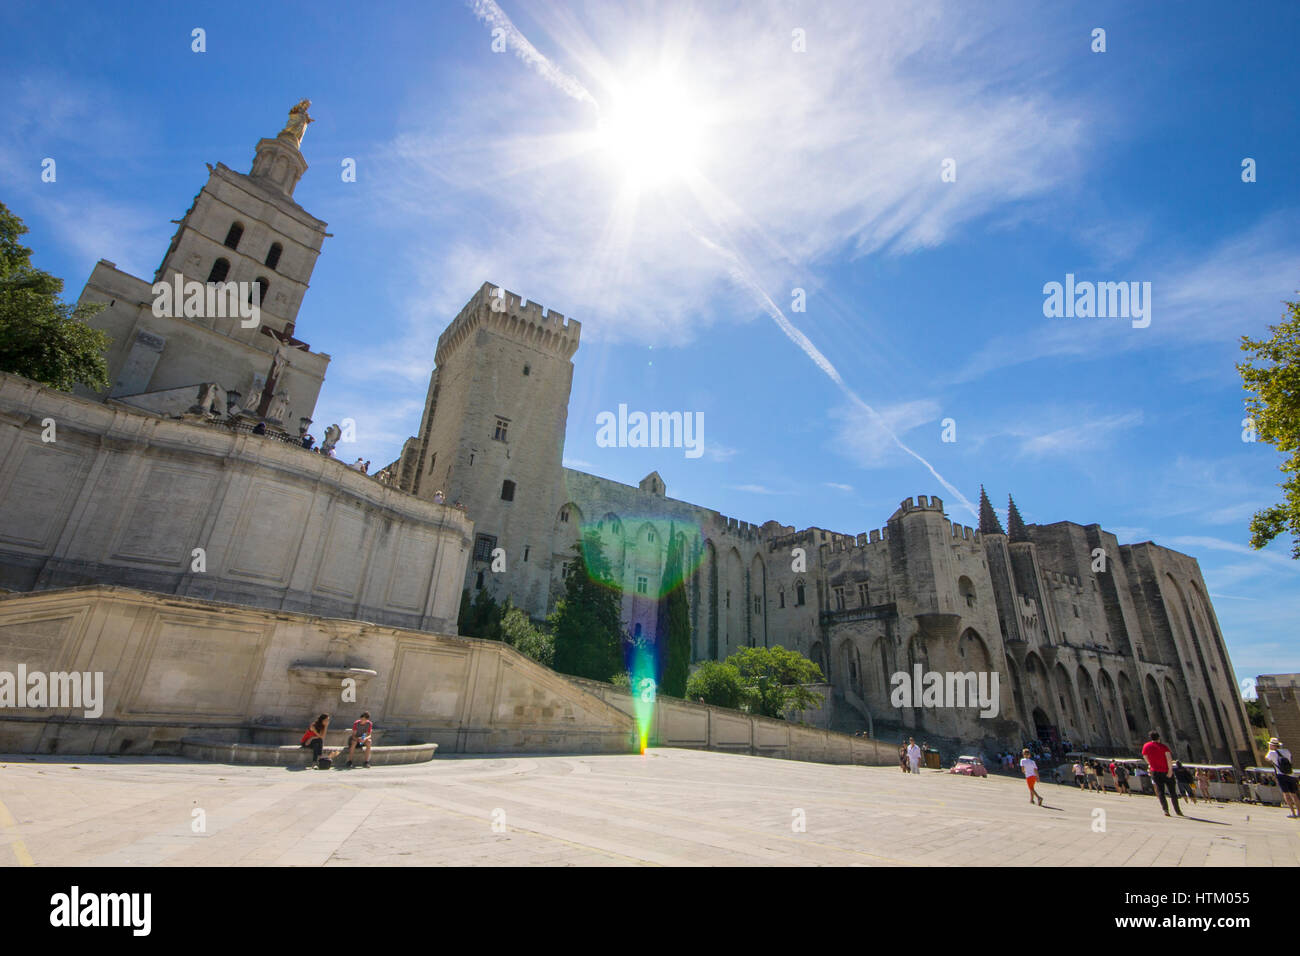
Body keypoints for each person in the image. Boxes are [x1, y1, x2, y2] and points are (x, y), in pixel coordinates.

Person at [1141, 731, 1183, 817]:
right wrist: (1170, 771)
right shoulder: (1163, 747)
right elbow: (1169, 759)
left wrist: (1150, 764)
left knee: (1161, 792)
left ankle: (1165, 810)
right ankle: (1177, 810)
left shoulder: (1146, 746)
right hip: (1166, 771)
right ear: (1159, 738)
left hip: (1155, 772)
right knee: (1172, 792)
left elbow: (1145, 756)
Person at [1264, 737, 1300, 819]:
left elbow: (1266, 759)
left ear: (1272, 745)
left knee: (1286, 794)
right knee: (1294, 795)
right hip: (1291, 774)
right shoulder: (1286, 751)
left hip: (1281, 775)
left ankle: (1293, 813)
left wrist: (1270, 751)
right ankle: (1299, 812)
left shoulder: (1271, 753)